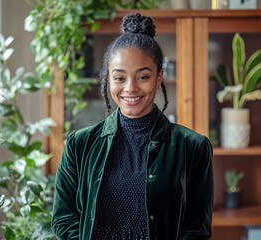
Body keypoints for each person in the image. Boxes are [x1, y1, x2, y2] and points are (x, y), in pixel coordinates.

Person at [51, 13, 213, 240]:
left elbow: (197, 229)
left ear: (158, 78)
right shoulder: (79, 144)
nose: (130, 88)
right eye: (119, 78)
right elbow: (63, 219)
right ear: (108, 79)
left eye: (143, 77)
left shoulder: (193, 147)